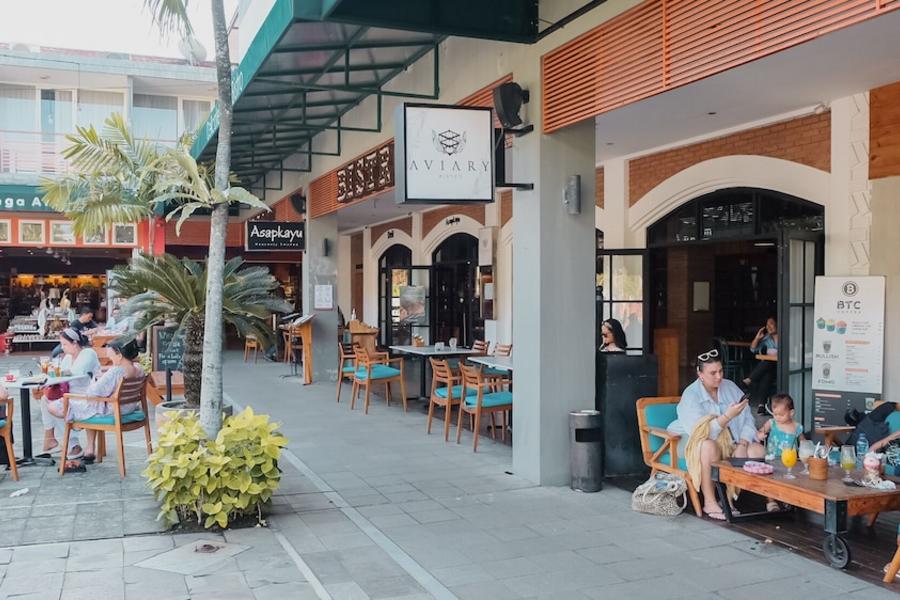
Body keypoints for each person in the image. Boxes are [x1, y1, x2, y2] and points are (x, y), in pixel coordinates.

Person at [668, 349, 765, 520]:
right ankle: (710, 501)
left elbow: (748, 418)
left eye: (720, 371)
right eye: (713, 373)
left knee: (756, 450)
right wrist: (727, 416)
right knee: (709, 446)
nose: (719, 376)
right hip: (689, 440)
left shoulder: (730, 386)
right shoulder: (691, 395)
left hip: (731, 440)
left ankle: (734, 498)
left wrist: (743, 443)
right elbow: (702, 433)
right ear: (700, 374)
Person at [47, 339, 144, 462]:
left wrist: (97, 379)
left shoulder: (116, 371)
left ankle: (77, 429)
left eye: (111, 356)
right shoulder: (139, 369)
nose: (110, 359)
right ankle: (84, 436)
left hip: (110, 410)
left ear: (119, 355)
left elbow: (92, 393)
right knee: (82, 405)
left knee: (55, 406)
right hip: (127, 408)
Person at [40, 328, 101, 458]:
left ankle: (73, 443)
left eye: (65, 344)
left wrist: (55, 373)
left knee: (57, 406)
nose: (62, 348)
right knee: (45, 399)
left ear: (75, 343)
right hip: (70, 395)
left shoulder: (88, 353)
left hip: (88, 397)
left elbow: (76, 372)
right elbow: (62, 376)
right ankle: (61, 440)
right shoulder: (68, 357)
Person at [755, 393, 804, 512]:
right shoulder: (772, 423)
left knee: (789, 480)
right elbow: (760, 432)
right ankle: (771, 501)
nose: (777, 417)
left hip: (790, 460)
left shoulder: (796, 427)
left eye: (781, 415)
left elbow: (803, 442)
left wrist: (806, 452)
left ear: (791, 413)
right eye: (775, 414)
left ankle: (787, 499)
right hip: (772, 458)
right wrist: (760, 435)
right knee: (770, 480)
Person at [743, 317, 778, 407]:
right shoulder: (767, 338)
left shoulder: (786, 336)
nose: (768, 327)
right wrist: (757, 338)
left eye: (771, 324)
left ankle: (750, 379)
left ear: (778, 324)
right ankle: (761, 406)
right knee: (767, 374)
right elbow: (753, 349)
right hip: (770, 368)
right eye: (767, 325)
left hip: (783, 367)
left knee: (767, 363)